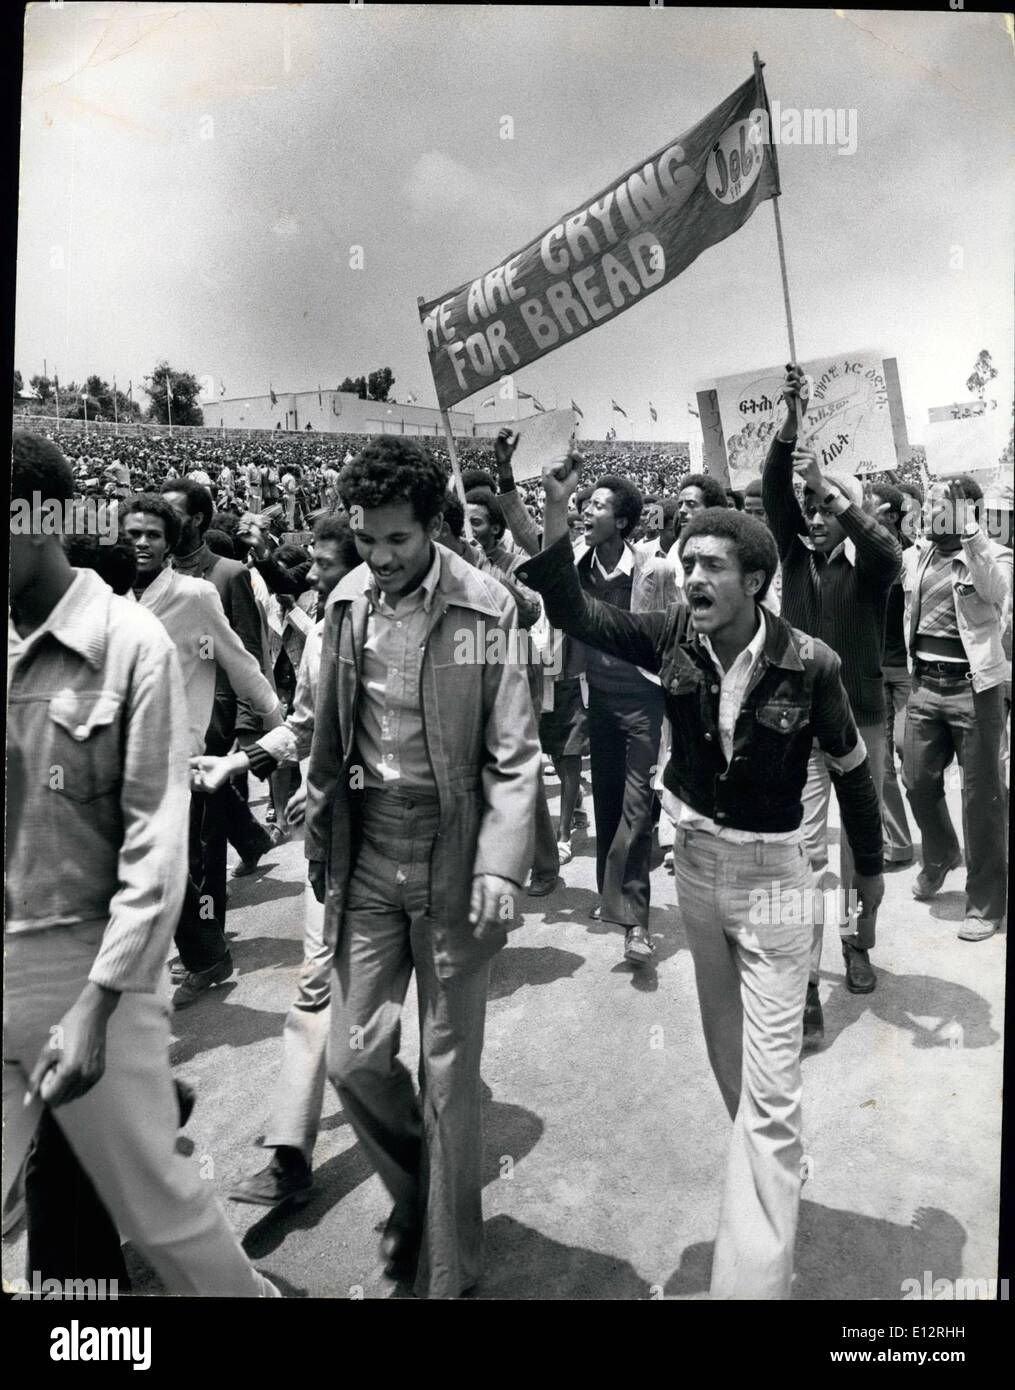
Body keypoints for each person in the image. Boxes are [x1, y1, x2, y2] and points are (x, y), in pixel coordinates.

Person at [517, 460, 883, 1299]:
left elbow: (854, 773)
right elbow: (572, 610)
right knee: (731, 1067)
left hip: (783, 877)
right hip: (700, 871)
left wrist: (867, 879)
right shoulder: (668, 635)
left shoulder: (812, 663)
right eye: (686, 566)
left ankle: (750, 1280)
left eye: (711, 566)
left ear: (755, 580)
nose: (692, 578)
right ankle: (774, 1161)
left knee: (771, 1073)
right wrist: (550, 511)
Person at [4, 432, 278, 1297]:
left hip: (85, 969)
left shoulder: (135, 641)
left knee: (167, 1219)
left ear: (44, 519)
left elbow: (150, 844)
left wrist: (96, 1003)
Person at [304, 436, 541, 1298]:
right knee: (353, 1057)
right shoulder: (343, 605)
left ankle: (449, 1269)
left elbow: (514, 754)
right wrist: (294, 775)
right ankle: (421, 1192)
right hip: (366, 854)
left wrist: (501, 866)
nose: (378, 558)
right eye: (366, 540)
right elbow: (314, 717)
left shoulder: (485, 611)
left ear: (433, 529)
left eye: (396, 541)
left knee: (447, 1075)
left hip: (453, 856)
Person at [191, 516, 361, 1205]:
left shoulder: (406, 628)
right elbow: (304, 721)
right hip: (335, 843)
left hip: (409, 850)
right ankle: (290, 1154)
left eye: (326, 564)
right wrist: (243, 760)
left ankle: (423, 1163)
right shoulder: (320, 632)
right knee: (315, 988)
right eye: (314, 563)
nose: (313, 574)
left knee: (391, 1025)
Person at [763, 365, 901, 1040]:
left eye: (823, 507)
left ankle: (856, 942)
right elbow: (771, 487)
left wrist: (838, 496)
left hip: (864, 722)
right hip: (798, 723)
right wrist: (790, 428)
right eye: (808, 508)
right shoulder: (789, 555)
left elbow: (886, 548)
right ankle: (806, 973)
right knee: (801, 852)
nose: (813, 517)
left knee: (859, 852)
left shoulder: (871, 562)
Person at [159, 476, 277, 998]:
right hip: (167, 728)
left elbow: (248, 656)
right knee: (195, 829)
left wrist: (246, 733)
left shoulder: (227, 576)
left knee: (202, 847)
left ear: (200, 521)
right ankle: (252, 840)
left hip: (215, 723)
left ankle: (207, 955)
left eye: (175, 515)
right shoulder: (153, 576)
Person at [901, 475, 1011, 940]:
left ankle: (984, 903)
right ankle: (942, 851)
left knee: (981, 800)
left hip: (974, 689)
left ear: (967, 510)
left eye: (940, 506)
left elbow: (995, 590)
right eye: (927, 507)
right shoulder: (918, 554)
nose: (929, 514)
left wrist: (971, 533)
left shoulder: (993, 554)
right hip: (925, 686)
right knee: (916, 779)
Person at [865, 480, 915, 865]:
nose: (863, 508)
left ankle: (935, 835)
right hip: (874, 671)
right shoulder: (858, 556)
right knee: (879, 764)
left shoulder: (918, 557)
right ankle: (898, 843)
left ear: (893, 516)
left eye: (873, 505)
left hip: (912, 673)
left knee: (910, 756)